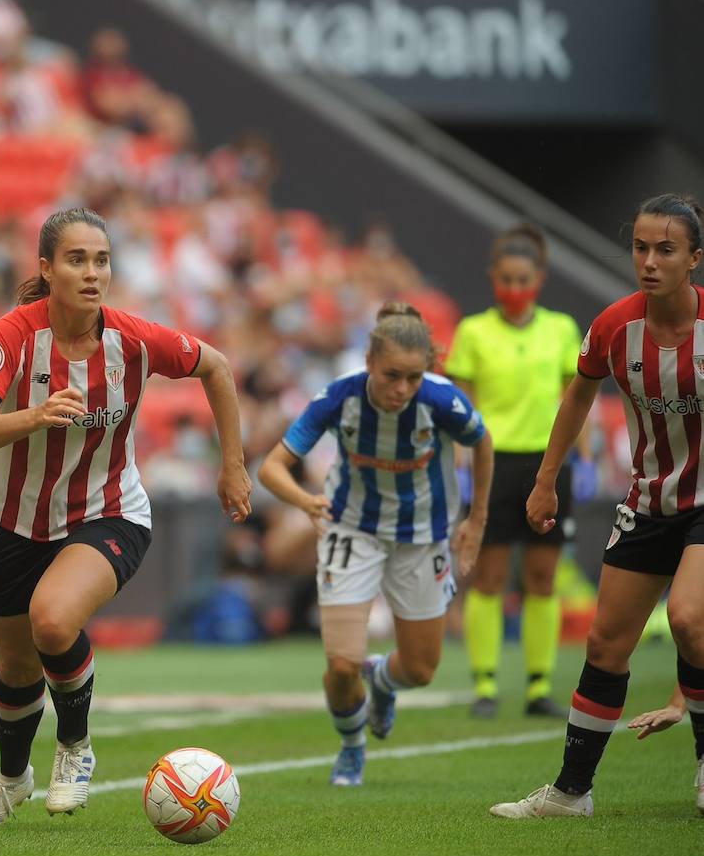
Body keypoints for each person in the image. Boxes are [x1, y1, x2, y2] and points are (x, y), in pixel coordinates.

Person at [0, 207, 252, 824]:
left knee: (53, 621)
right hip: (18, 520)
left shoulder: (133, 339)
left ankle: (75, 747)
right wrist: (34, 414)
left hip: (109, 511)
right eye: (76, 259)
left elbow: (217, 367)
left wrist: (233, 466)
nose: (93, 273)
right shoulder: (10, 336)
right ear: (46, 268)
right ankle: (12, 780)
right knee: (15, 664)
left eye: (102, 260)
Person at [492, 194, 704, 819]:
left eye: (666, 249)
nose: (649, 260)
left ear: (695, 258)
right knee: (606, 647)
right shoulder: (614, 326)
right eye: (640, 247)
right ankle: (570, 793)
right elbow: (578, 396)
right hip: (645, 503)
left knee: (690, 619)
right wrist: (545, 479)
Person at [258, 303, 493, 787]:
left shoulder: (442, 401)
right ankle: (351, 747)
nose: (402, 389)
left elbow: (483, 441)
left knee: (422, 670)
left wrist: (476, 518)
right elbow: (272, 467)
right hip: (352, 531)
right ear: (369, 361)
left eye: (413, 376)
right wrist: (307, 501)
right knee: (341, 666)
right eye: (391, 375)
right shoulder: (338, 398)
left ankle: (384, 680)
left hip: (422, 537)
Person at [444, 224, 583, 719]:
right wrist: (465, 456)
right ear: (492, 278)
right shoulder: (474, 331)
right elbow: (463, 399)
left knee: (543, 576)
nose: (515, 288)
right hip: (493, 461)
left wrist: (579, 457)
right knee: (490, 575)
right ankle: (485, 683)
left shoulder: (561, 329)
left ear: (539, 279)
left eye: (524, 278)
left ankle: (539, 684)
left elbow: (576, 396)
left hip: (547, 461)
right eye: (506, 278)